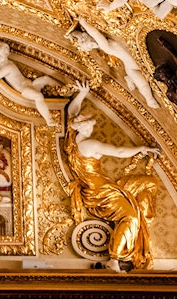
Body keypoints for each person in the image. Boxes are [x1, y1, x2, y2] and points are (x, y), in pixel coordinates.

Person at [65, 102, 160, 272]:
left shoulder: (71, 142)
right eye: (89, 126)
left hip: (102, 188)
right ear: (83, 127)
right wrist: (142, 148)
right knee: (130, 217)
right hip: (102, 192)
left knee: (149, 182)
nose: (91, 130)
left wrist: (80, 96)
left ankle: (143, 219)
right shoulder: (89, 144)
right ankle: (114, 258)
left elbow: (72, 113)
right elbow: (119, 152)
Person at [68, 22, 161, 109]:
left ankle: (129, 79)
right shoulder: (104, 46)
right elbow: (94, 34)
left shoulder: (103, 43)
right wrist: (83, 26)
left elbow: (95, 34)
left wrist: (79, 29)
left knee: (142, 83)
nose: (92, 45)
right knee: (143, 85)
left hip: (131, 64)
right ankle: (149, 99)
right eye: (89, 47)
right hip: (131, 67)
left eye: (87, 42)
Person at [0, 41, 57, 126]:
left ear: (6, 54)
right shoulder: (0, 63)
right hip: (25, 89)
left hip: (29, 86)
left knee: (45, 80)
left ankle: (63, 90)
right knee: (38, 96)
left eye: (0, 56)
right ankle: (49, 119)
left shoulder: (8, 67)